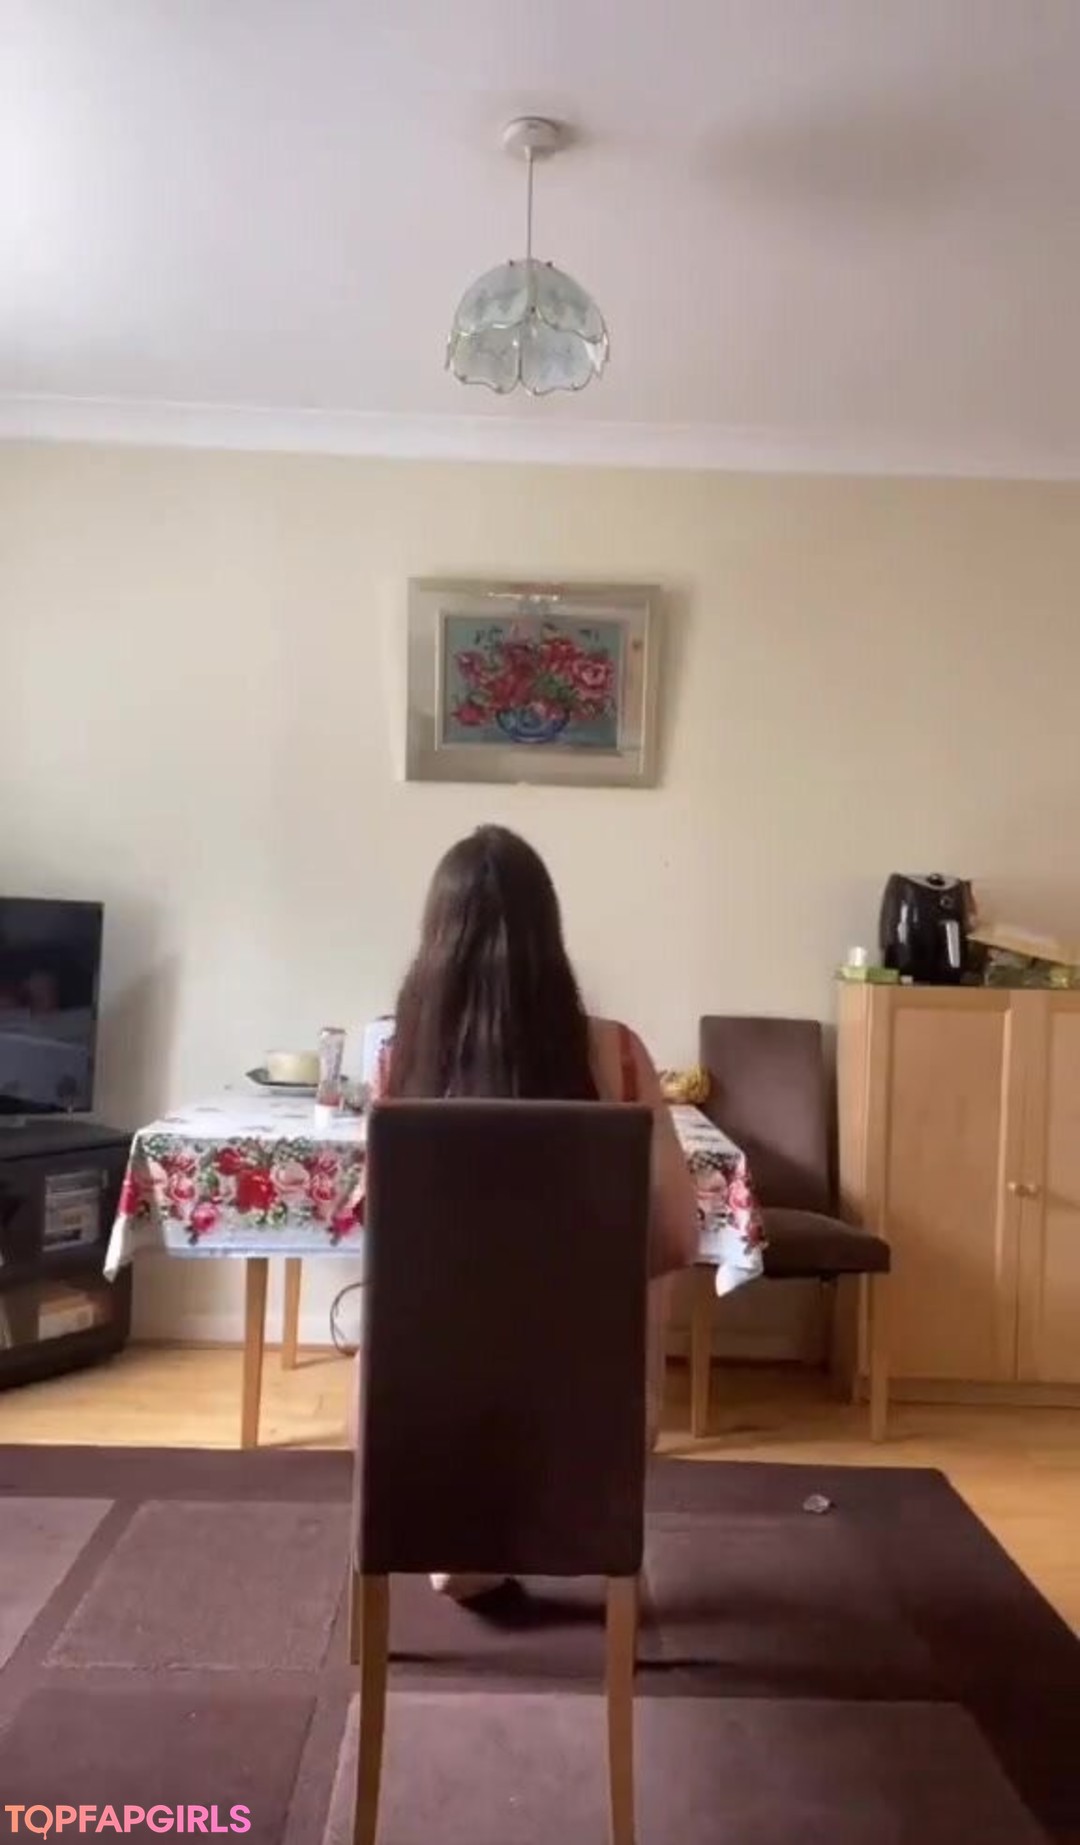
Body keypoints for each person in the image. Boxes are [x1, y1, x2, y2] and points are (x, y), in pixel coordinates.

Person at [353, 823, 700, 1602]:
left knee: (425, 1298)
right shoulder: (617, 1055)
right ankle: (596, 1499)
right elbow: (679, 1234)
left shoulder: (401, 1059)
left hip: (427, 1393)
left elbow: (385, 1235)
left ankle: (464, 1526)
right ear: (551, 938)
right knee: (646, 1269)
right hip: (585, 1388)